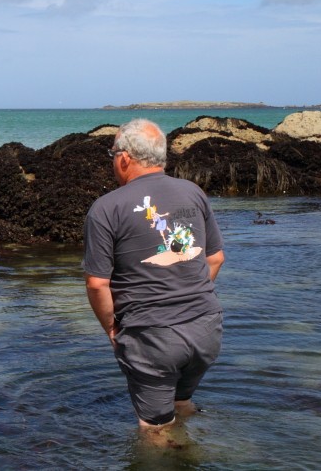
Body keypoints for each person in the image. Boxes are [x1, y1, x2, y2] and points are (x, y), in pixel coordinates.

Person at [82, 118, 225, 435]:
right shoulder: (194, 193)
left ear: (123, 158)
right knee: (181, 403)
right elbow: (215, 258)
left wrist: (112, 329)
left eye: (112, 156)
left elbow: (96, 283)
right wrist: (188, 292)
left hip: (153, 337)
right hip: (207, 329)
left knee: (155, 431)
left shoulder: (106, 208)